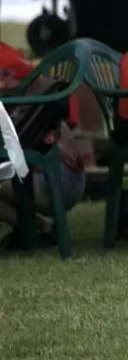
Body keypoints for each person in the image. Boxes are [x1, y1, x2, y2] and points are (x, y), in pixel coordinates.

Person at [0, 42, 86, 245]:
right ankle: (35, 229)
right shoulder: (11, 56)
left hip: (54, 178)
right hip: (61, 172)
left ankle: (36, 229)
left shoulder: (7, 63)